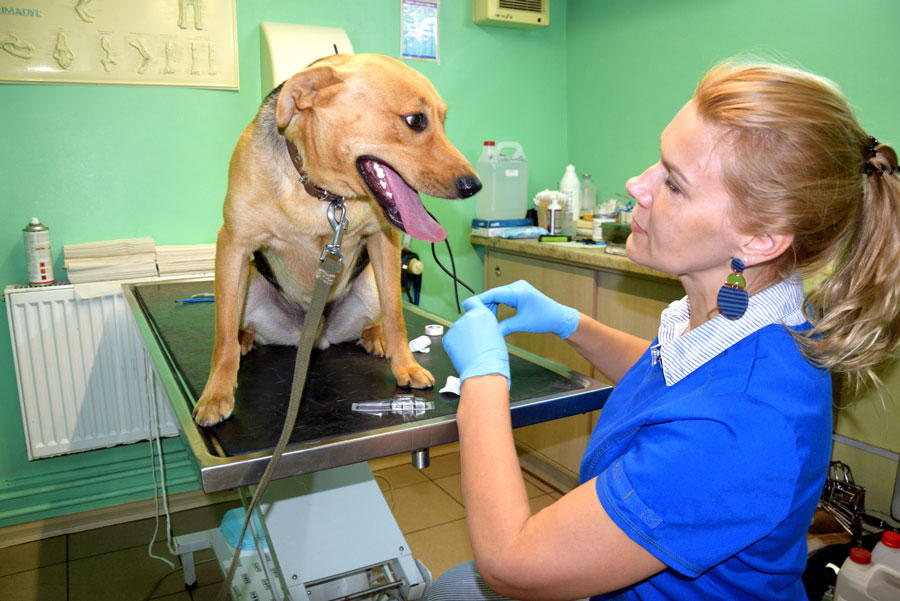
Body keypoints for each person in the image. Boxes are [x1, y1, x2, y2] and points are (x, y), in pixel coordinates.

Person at [431, 59, 900, 601]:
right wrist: (572, 324)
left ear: (760, 240)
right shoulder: (750, 318)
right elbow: (678, 379)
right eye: (660, 161)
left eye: (673, 184)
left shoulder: (740, 425)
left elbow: (512, 562)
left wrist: (484, 381)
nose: (637, 184)